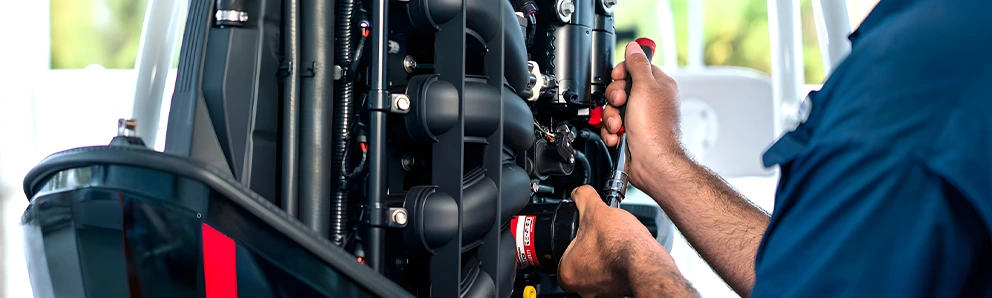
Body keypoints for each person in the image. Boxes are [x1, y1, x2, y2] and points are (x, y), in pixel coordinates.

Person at [557, 0, 992, 297]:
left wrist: (632, 259)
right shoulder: (960, 35)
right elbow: (817, 268)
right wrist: (662, 162)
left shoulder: (912, 87)